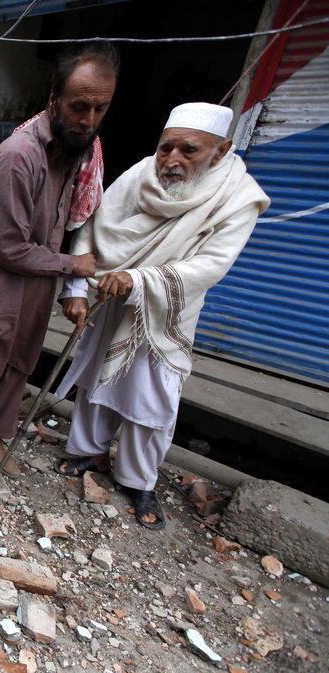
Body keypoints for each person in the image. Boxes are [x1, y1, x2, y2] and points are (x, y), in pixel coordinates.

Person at [54, 103, 270, 529]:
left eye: (188, 150)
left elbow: (212, 265)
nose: (172, 159)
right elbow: (95, 227)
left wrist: (137, 279)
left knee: (151, 398)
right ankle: (90, 452)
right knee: (95, 379)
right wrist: (76, 288)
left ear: (221, 149)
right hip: (110, 298)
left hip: (165, 313)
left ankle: (138, 480)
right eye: (166, 147)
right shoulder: (141, 173)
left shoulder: (238, 197)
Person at [0, 43, 119, 504]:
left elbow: (67, 223)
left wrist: (68, 282)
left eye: (100, 109)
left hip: (35, 286)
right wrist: (73, 265)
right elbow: (11, 249)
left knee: (19, 364)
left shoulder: (73, 151)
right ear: (54, 100)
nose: (89, 119)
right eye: (79, 106)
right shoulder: (19, 155)